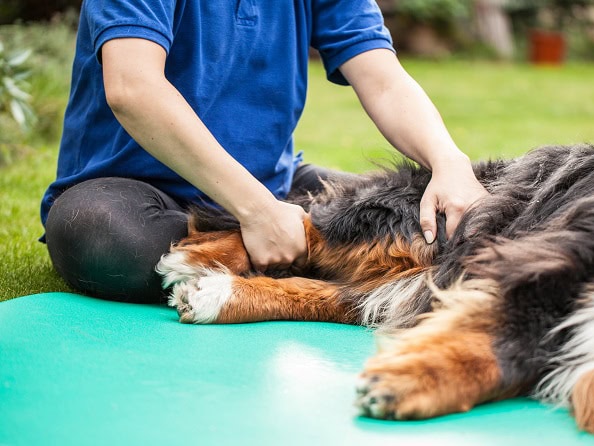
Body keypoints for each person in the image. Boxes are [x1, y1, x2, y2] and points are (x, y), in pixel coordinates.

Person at [40, 0, 489, 304]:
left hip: (277, 189)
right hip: (134, 191)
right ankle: (312, 252)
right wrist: (255, 212)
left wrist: (446, 159)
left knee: (411, 215)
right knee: (100, 237)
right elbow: (133, 88)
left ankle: (272, 248)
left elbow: (384, 80)